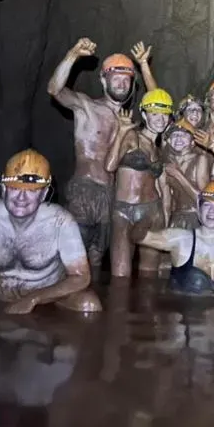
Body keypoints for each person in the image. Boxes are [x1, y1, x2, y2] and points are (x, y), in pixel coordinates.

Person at [0, 149, 101, 314]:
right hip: (1, 298)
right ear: (3, 189)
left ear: (43, 194)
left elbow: (81, 277)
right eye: (15, 188)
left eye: (31, 190)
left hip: (48, 297)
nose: (21, 197)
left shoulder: (60, 222)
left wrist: (34, 299)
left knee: (90, 305)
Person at [47, 37, 137, 279]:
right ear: (103, 80)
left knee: (97, 260)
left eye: (126, 79)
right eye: (116, 77)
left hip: (112, 197)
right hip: (84, 190)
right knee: (71, 258)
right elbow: (54, 90)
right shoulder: (87, 107)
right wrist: (73, 55)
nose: (121, 83)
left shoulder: (131, 125)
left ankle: (90, 312)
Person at [124, 179, 214, 296]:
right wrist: (147, 219)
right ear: (199, 209)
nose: (211, 211)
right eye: (207, 205)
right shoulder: (181, 239)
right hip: (185, 318)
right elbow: (138, 236)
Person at [105, 89, 174, 278]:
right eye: (154, 114)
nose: (160, 119)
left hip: (152, 212)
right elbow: (110, 166)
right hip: (123, 211)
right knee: (120, 277)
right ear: (144, 115)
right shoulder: (131, 137)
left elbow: (164, 190)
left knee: (148, 276)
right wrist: (120, 132)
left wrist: (166, 225)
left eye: (165, 115)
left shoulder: (159, 150)